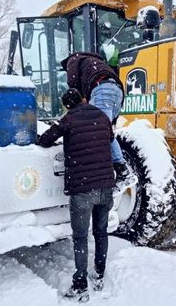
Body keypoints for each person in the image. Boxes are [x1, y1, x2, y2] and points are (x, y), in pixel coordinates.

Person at [37, 88, 116, 303]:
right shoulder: (101, 115)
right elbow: (110, 137)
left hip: (83, 189)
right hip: (106, 185)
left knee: (80, 237)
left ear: (67, 106)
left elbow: (44, 140)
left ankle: (80, 286)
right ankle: (99, 275)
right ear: (84, 99)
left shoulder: (67, 119)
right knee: (101, 232)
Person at [60, 52, 131, 182]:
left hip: (102, 90)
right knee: (106, 131)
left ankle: (121, 170)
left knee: (100, 132)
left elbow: (73, 83)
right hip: (117, 90)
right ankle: (114, 169)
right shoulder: (95, 62)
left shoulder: (73, 60)